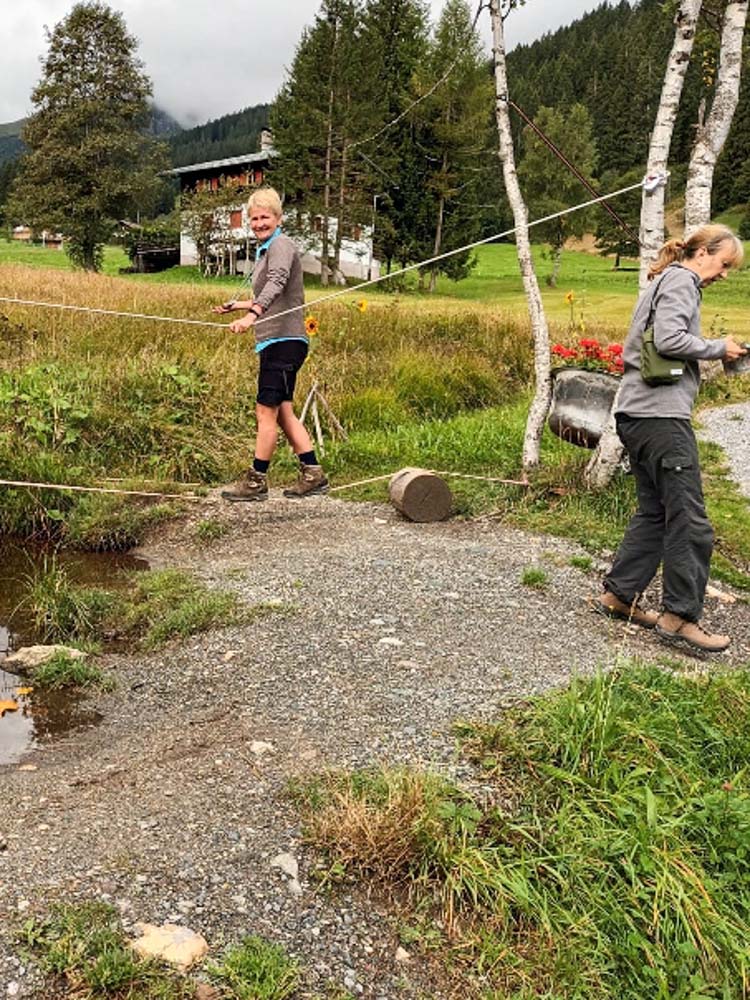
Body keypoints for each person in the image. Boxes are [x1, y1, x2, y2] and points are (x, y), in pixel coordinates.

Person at [594, 224, 746, 653]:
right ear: (704, 254)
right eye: (724, 264)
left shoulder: (668, 279)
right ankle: (680, 617)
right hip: (661, 419)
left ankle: (619, 596)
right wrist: (720, 348)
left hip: (637, 414)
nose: (724, 274)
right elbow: (669, 339)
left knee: (656, 513)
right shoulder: (682, 280)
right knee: (690, 519)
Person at [213, 187, 328, 502]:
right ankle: (313, 473)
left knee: (265, 411)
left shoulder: (280, 245)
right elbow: (275, 294)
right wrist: (237, 306)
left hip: (283, 342)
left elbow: (277, 282)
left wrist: (251, 317)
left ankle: (256, 482)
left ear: (278, 218)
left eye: (265, 217)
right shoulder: (268, 247)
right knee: (283, 412)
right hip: (280, 341)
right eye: (254, 219)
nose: (259, 223)